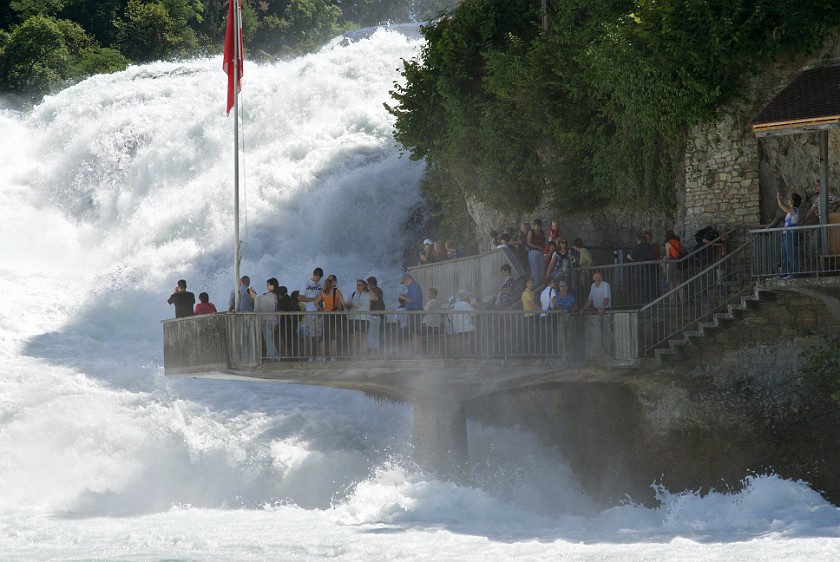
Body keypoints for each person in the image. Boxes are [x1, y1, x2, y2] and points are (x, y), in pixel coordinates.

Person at [803, 179, 840, 261]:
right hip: (822, 224)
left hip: (828, 225)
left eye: (817, 185)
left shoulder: (828, 194)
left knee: (825, 243)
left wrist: (834, 209)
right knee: (819, 243)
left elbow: (838, 199)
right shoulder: (819, 197)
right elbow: (811, 209)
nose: (815, 187)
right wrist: (804, 219)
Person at [314, 274, 347, 360]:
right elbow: (343, 303)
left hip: (325, 316)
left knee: (324, 337)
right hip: (334, 316)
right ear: (334, 281)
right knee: (334, 337)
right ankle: (333, 356)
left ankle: (320, 357)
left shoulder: (323, 291)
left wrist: (322, 309)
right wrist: (339, 307)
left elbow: (316, 302)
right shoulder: (337, 291)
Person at [299, 268, 324, 359]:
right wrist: (314, 299)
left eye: (319, 278)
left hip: (318, 313)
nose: (318, 280)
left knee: (319, 335)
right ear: (313, 275)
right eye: (317, 278)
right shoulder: (305, 283)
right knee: (309, 335)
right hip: (309, 312)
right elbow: (300, 298)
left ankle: (318, 355)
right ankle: (309, 356)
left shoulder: (321, 284)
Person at [776, 192, 801, 280]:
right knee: (784, 254)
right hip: (786, 235)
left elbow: (783, 207)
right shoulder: (791, 211)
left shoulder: (794, 210)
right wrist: (780, 200)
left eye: (790, 198)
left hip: (790, 235)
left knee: (791, 254)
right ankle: (783, 273)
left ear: (793, 201)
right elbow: (783, 207)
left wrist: (779, 199)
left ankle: (793, 273)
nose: (788, 200)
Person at [256, 278, 281, 360]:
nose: (267, 286)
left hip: (268, 320)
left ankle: (272, 356)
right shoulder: (276, 295)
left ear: (273, 285)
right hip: (274, 320)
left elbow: (261, 300)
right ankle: (275, 356)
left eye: (268, 285)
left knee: (268, 339)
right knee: (269, 339)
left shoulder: (271, 296)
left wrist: (254, 296)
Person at [399, 273, 423, 354]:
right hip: (415, 311)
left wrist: (403, 297)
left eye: (404, 282)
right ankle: (417, 350)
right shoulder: (414, 286)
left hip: (414, 311)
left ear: (407, 279)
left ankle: (416, 351)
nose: (404, 284)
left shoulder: (413, 287)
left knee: (415, 332)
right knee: (416, 332)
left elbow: (413, 299)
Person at [346, 279, 371, 355]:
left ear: (364, 286)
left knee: (363, 338)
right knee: (353, 338)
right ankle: (353, 355)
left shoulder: (369, 294)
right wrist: (350, 305)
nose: (358, 286)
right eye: (357, 285)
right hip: (353, 318)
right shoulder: (352, 294)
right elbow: (347, 305)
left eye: (360, 285)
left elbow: (376, 299)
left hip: (365, 318)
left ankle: (363, 356)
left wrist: (370, 289)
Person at [449, 289, 476, 355]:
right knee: (470, 345)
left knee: (460, 345)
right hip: (468, 329)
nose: (470, 298)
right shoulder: (465, 304)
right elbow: (474, 315)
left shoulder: (452, 306)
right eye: (468, 296)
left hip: (457, 330)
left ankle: (462, 357)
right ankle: (470, 357)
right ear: (464, 297)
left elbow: (449, 318)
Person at [663, 230, 686, 305]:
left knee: (671, 284)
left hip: (672, 265)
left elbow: (668, 256)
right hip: (679, 264)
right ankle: (683, 302)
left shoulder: (667, 244)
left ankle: (673, 303)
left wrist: (664, 258)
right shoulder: (678, 242)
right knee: (679, 284)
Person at [366, 276, 385, 355]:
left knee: (372, 335)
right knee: (374, 335)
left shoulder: (377, 290)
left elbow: (374, 298)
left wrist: (369, 289)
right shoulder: (378, 290)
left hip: (374, 315)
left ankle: (372, 352)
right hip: (376, 315)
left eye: (367, 284)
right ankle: (374, 352)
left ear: (370, 284)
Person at [527, 218, 547, 287]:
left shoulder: (542, 232)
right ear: (534, 225)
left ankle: (541, 285)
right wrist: (538, 247)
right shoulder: (531, 232)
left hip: (541, 252)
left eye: (539, 226)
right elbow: (529, 243)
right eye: (537, 226)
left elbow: (545, 241)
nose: (538, 227)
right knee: (535, 270)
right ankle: (535, 286)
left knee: (542, 268)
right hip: (533, 252)